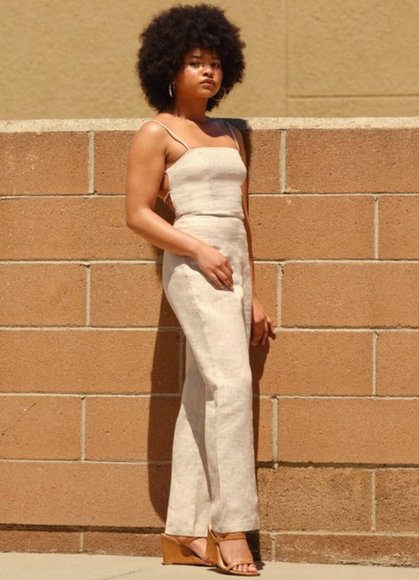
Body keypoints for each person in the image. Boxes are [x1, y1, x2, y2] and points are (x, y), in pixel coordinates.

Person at [125, 4, 275, 576]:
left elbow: (243, 218)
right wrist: (197, 250)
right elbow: (138, 214)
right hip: (193, 265)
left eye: (215, 62)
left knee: (202, 392)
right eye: (195, 62)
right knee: (231, 385)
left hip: (232, 264)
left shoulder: (232, 134)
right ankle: (231, 526)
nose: (208, 71)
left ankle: (185, 532)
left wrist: (253, 294)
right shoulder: (156, 132)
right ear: (169, 68)